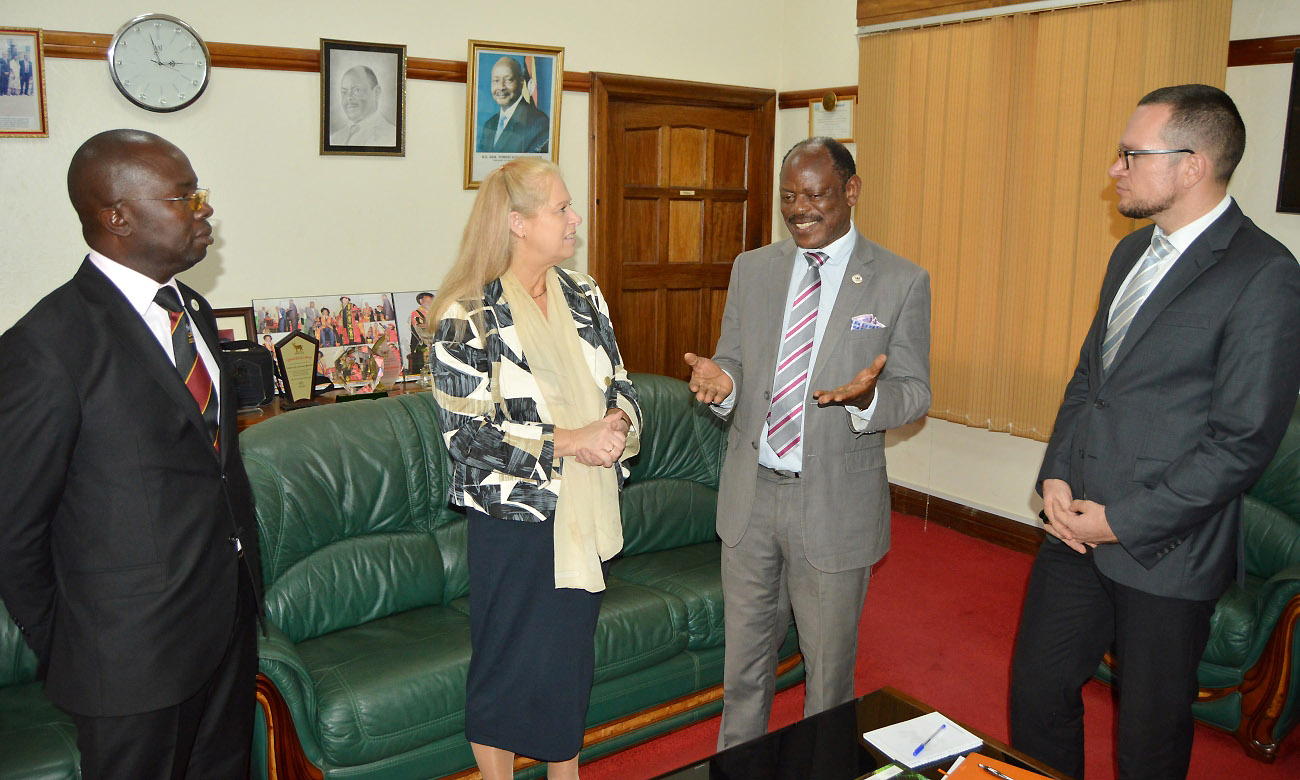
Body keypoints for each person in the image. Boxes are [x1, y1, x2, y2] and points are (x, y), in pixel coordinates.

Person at [1009, 85, 1300, 780]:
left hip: (1168, 550)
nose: (1116, 168)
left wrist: (1122, 521)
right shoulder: (1131, 253)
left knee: (1149, 738)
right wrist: (1055, 475)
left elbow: (1243, 441)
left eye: (1131, 155)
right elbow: (1091, 380)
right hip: (1073, 530)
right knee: (1036, 694)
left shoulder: (1265, 274)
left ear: (1194, 165)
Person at [0, 129, 262, 778]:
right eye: (184, 196)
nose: (203, 211)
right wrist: (68, 647)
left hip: (225, 629)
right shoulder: (48, 346)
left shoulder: (192, 311)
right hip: (128, 662)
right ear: (116, 216)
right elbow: (13, 527)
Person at [684, 137, 931, 749]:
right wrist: (723, 382)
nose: (799, 210)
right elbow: (736, 361)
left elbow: (914, 393)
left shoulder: (900, 281)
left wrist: (867, 399)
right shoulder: (754, 268)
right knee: (742, 673)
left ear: (850, 192)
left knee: (827, 680)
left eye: (816, 195)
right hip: (751, 498)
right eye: (789, 196)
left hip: (833, 506)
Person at [429, 158, 641, 779]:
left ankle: (563, 773)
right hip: (515, 520)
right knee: (506, 664)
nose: (576, 219)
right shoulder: (464, 315)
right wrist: (574, 440)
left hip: (586, 505)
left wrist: (615, 429)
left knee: (566, 661)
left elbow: (620, 382)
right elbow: (469, 439)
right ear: (517, 223)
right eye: (561, 210)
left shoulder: (585, 292)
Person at [476, 56, 549, 154]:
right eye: (496, 80)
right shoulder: (489, 125)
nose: (501, 87)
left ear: (522, 82)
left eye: (508, 80)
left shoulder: (539, 123)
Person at [330, 65, 397, 147]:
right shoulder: (334, 139)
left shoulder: (392, 137)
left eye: (356, 90)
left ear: (376, 92)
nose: (348, 97)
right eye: (344, 92)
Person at [408, 290, 434, 373]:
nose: (430, 303)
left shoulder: (433, 313)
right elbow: (420, 326)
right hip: (421, 343)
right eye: (428, 301)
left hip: (432, 342)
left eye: (431, 301)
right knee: (422, 366)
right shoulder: (416, 313)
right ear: (421, 301)